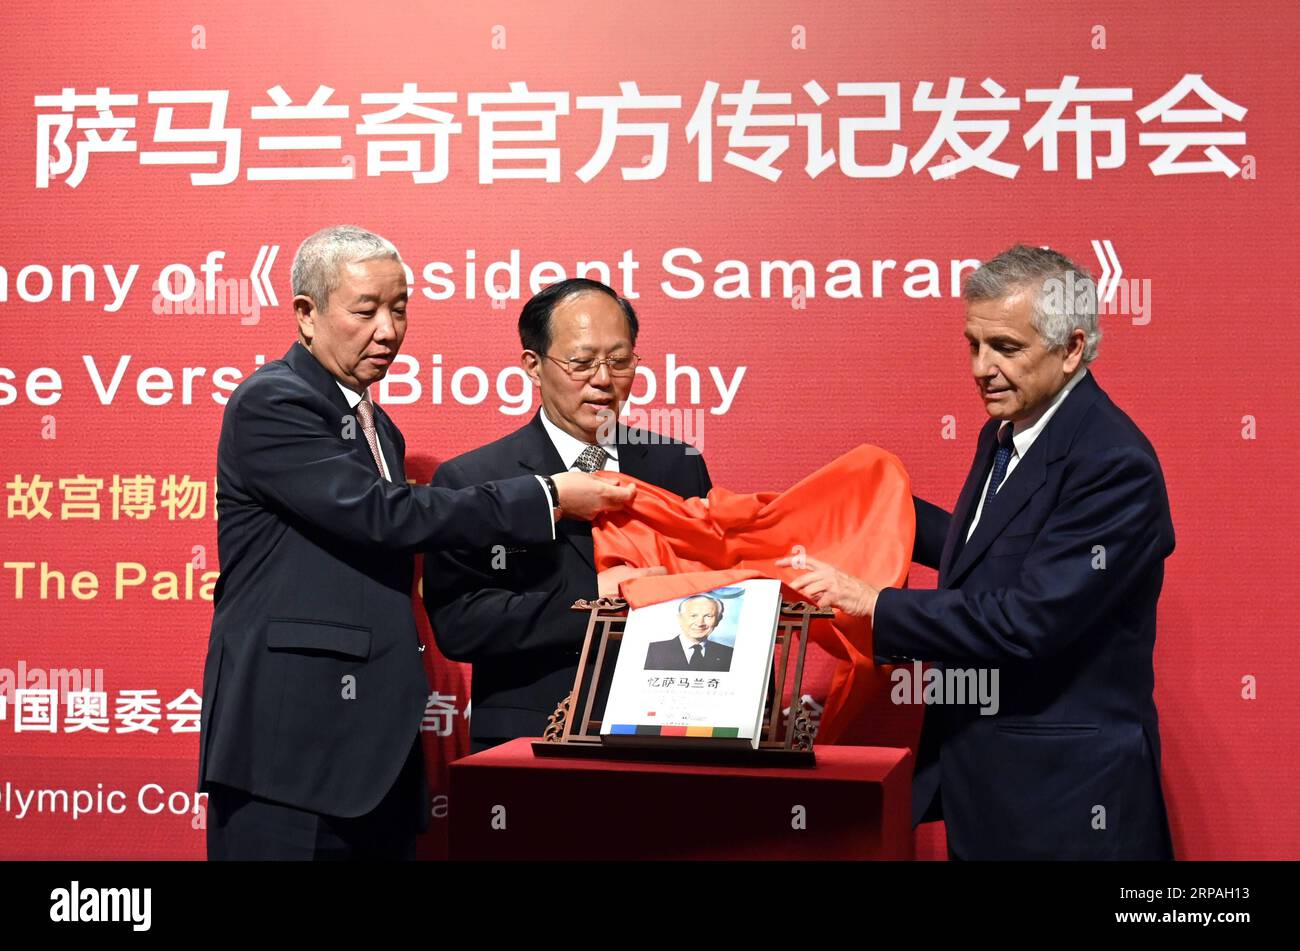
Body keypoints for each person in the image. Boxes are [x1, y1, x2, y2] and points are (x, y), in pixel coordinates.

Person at [198, 226, 632, 860]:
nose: (388, 330)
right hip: (289, 751)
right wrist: (548, 497)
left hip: (373, 760)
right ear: (306, 314)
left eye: (399, 308)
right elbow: (381, 515)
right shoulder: (274, 402)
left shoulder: (380, 427)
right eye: (366, 309)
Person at [779, 245, 1175, 860]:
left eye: (1006, 348)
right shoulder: (1008, 430)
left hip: (1070, 802)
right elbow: (991, 549)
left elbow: (1029, 620)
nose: (982, 368)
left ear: (1071, 349)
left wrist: (875, 604)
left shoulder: (1112, 462)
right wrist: (874, 511)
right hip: (992, 786)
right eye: (973, 345)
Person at [423, 278, 712, 751]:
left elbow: (711, 590)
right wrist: (593, 599)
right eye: (581, 362)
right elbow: (462, 624)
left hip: (670, 732)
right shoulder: (474, 479)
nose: (603, 380)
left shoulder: (677, 466)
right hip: (531, 738)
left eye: (620, 361)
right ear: (533, 367)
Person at [644, 593, 734, 672]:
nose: (700, 623)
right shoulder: (652, 651)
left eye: (708, 616)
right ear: (680, 618)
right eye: (693, 615)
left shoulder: (729, 654)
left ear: (718, 620)